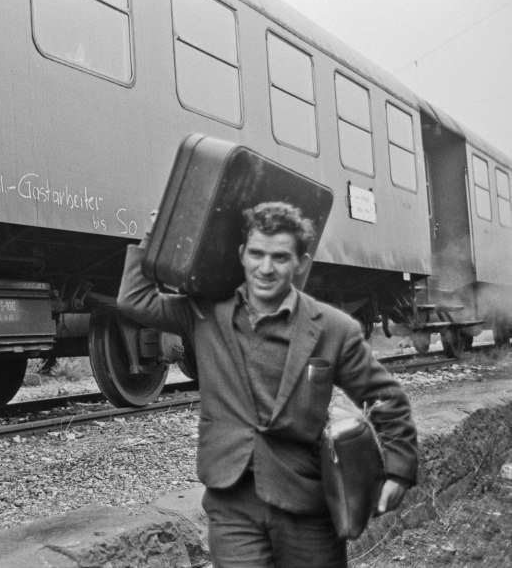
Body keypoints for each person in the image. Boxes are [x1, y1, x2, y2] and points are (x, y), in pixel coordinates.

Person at [117, 201, 418, 567]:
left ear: (301, 263)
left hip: (306, 502)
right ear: (242, 255)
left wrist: (399, 470)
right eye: (256, 254)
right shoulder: (204, 312)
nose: (265, 268)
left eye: (279, 257)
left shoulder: (333, 329)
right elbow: (134, 300)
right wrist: (152, 236)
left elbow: (385, 398)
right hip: (231, 499)